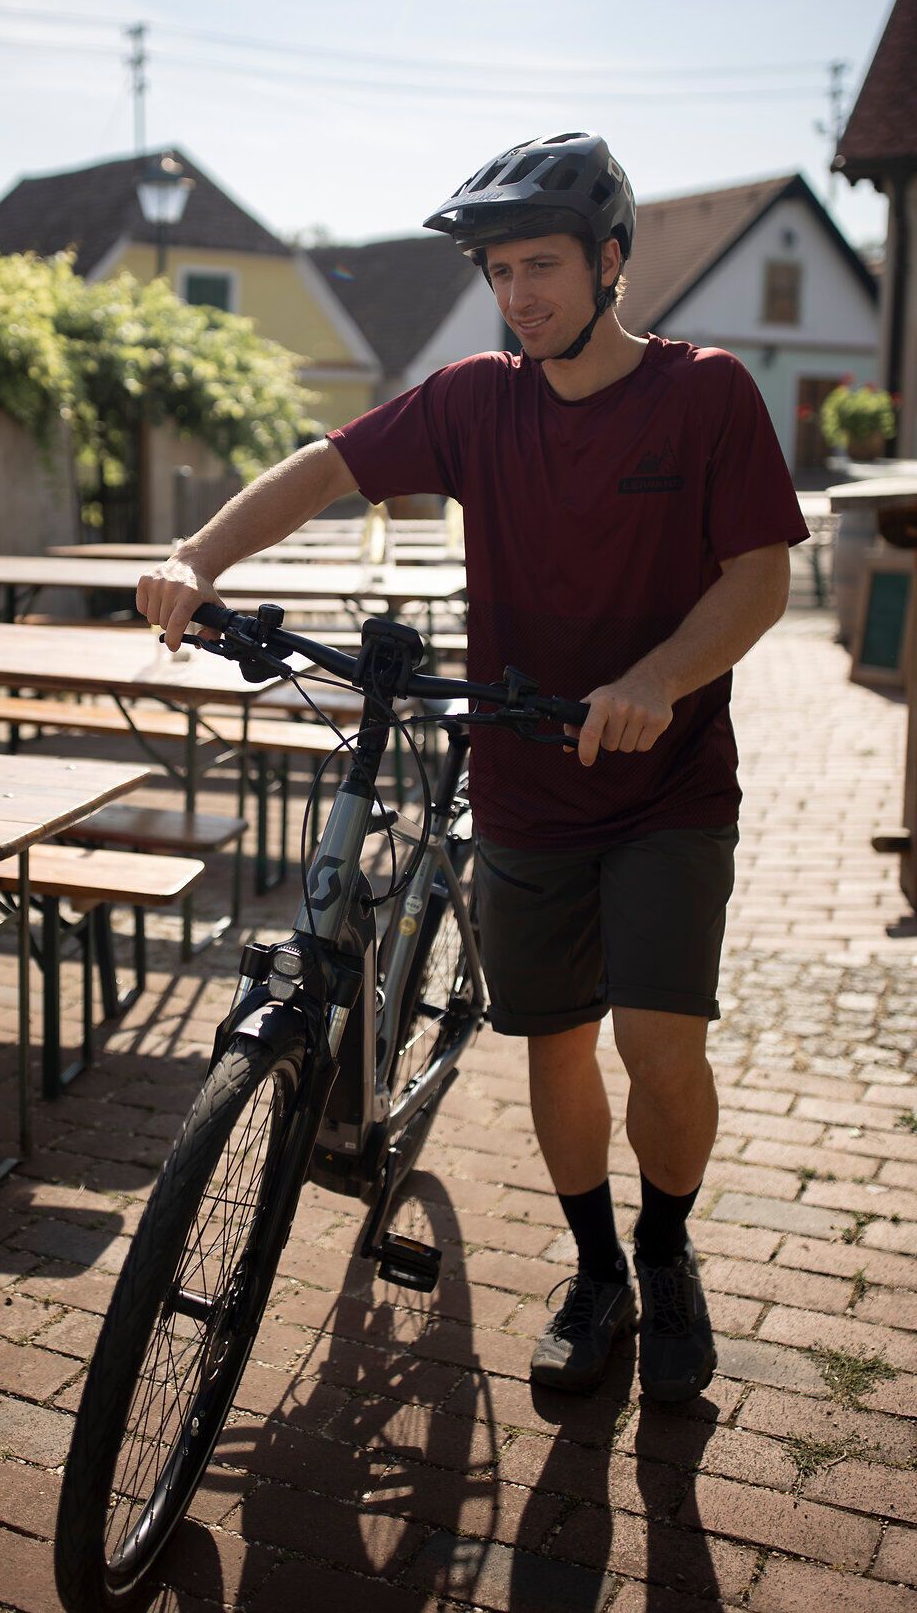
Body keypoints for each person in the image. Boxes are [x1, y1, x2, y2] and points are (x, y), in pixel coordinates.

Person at [137, 131, 808, 1404]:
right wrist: (196, 558)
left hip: (664, 785)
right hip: (521, 782)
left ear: (608, 261)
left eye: (539, 265)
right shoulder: (470, 401)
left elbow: (758, 577)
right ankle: (596, 1271)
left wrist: (655, 679)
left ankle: (665, 1254)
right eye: (498, 273)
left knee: (657, 1045)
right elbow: (325, 469)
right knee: (553, 1047)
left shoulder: (703, 393)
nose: (518, 295)